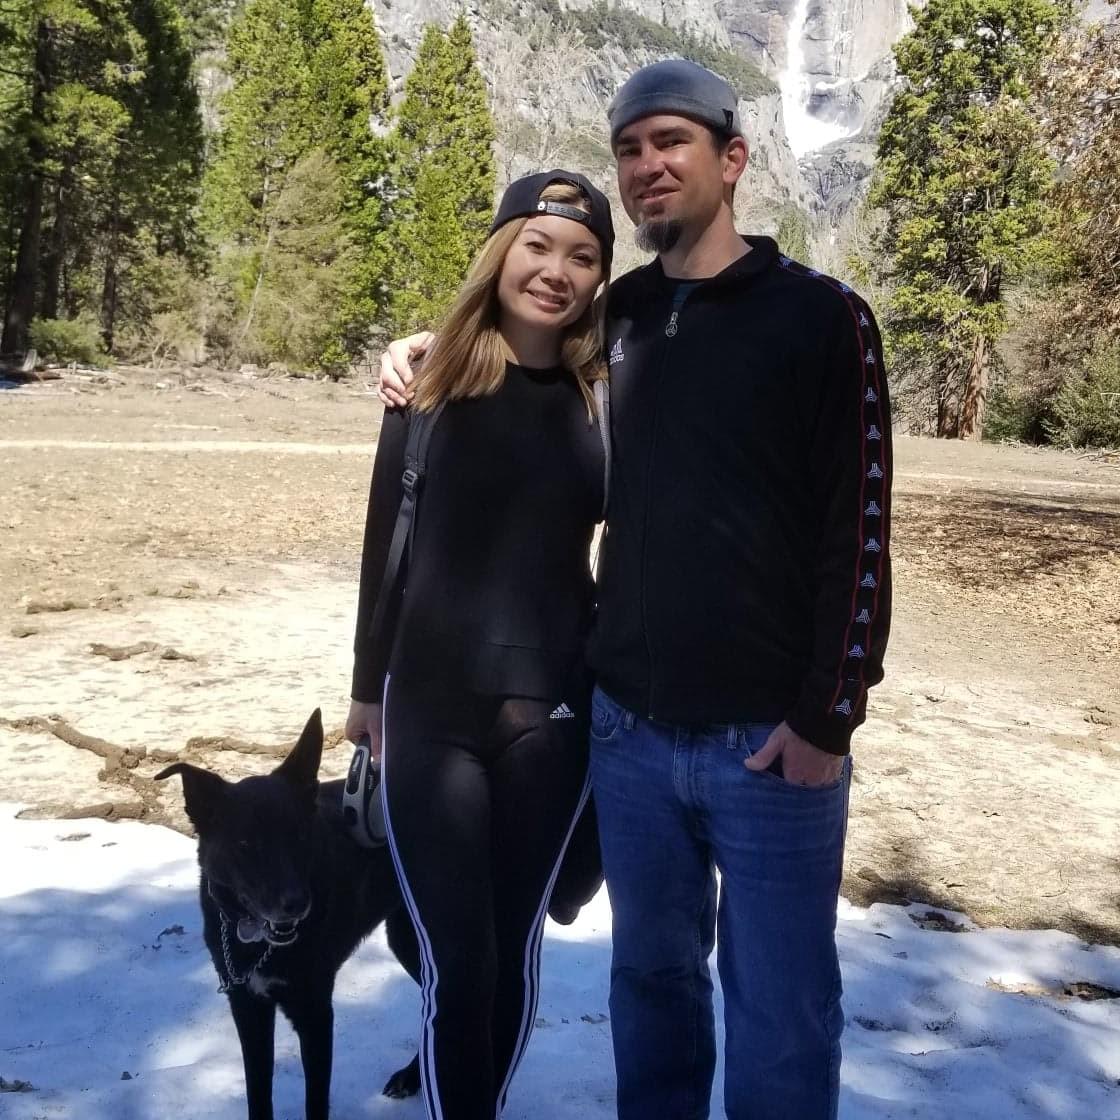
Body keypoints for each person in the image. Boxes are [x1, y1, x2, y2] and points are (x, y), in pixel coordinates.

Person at [380, 60, 892, 1120]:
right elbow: (514, 350)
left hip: (770, 743)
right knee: (650, 985)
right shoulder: (615, 319)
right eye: (630, 147)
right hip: (626, 734)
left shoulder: (821, 318)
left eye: (673, 142)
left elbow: (861, 527)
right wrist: (420, 351)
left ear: (731, 159)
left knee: (782, 1005)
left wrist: (827, 714)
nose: (649, 164)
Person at [345, 169, 614, 1120]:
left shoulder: (606, 399)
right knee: (457, 957)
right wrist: (364, 690)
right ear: (501, 252)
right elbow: (388, 544)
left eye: (583, 256)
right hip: (429, 705)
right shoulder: (425, 383)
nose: (556, 270)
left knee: (509, 944)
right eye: (538, 245)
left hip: (551, 713)